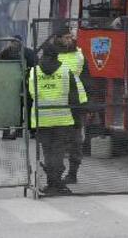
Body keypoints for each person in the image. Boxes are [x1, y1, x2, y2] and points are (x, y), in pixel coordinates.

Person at [29, 42, 79, 195]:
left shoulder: (34, 72)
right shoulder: (65, 71)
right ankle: (56, 184)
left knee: (48, 152)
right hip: (62, 119)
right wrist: (76, 118)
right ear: (57, 55)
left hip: (42, 119)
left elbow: (31, 94)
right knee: (58, 152)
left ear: (42, 54)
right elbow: (73, 96)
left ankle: (51, 184)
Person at [52, 22, 89, 184]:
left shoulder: (79, 55)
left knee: (75, 141)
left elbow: (87, 79)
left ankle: (73, 173)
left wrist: (89, 101)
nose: (70, 40)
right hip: (56, 104)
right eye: (66, 37)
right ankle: (55, 174)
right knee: (57, 141)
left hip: (75, 105)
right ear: (58, 39)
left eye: (70, 37)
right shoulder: (50, 55)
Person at [0, 35, 37, 140]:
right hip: (10, 85)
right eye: (12, 42)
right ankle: (14, 130)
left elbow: (34, 67)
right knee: (15, 108)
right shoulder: (5, 53)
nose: (14, 44)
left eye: (16, 42)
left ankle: (29, 130)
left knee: (27, 106)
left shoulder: (27, 53)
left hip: (24, 84)